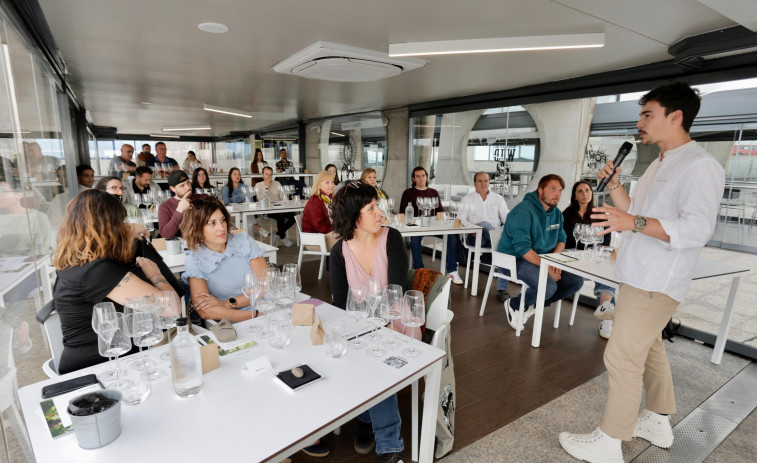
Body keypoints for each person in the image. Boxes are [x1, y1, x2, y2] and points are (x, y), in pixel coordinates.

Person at [559, 83, 725, 463]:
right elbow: (635, 210)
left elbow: (695, 229)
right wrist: (616, 188)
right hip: (637, 274)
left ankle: (609, 440)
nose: (640, 123)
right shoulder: (659, 161)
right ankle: (658, 419)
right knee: (649, 347)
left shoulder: (700, 166)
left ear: (675, 116)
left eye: (647, 114)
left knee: (620, 356)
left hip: (657, 280)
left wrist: (631, 220)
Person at [52, 190, 179, 374]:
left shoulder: (73, 260)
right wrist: (155, 275)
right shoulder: (98, 272)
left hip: (96, 358)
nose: (123, 226)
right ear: (111, 226)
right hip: (102, 368)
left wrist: (129, 229)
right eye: (120, 221)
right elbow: (171, 309)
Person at [329, 179, 408, 463]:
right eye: (372, 208)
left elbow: (395, 291)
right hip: (360, 327)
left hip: (397, 323)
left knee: (376, 363)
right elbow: (340, 304)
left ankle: (390, 445)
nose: (380, 213)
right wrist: (357, 328)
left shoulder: (392, 238)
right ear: (354, 217)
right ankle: (365, 415)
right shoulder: (339, 252)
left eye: (378, 206)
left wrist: (369, 324)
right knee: (336, 355)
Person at [497, 174, 584, 331]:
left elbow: (562, 239)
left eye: (560, 190)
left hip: (542, 258)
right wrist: (548, 268)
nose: (557, 194)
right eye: (552, 189)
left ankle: (531, 305)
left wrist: (554, 261)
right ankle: (515, 305)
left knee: (576, 281)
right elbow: (522, 248)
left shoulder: (556, 213)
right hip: (515, 259)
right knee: (548, 286)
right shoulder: (523, 211)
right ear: (540, 190)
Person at [180, 197, 269, 322]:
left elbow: (265, 285)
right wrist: (254, 315)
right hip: (236, 321)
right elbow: (205, 311)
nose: (221, 228)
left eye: (222, 220)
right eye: (212, 223)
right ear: (198, 228)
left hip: (267, 307)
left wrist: (228, 303)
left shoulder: (245, 241)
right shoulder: (195, 258)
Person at [562, 180, 616, 339]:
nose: (584, 194)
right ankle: (609, 314)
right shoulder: (566, 214)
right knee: (604, 271)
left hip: (593, 258)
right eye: (580, 191)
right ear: (575, 196)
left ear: (591, 193)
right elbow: (564, 240)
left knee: (606, 271)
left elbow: (606, 241)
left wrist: (595, 252)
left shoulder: (600, 214)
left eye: (587, 190)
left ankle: (605, 316)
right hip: (573, 258)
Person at [399, 166, 462, 284]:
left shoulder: (433, 192)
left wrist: (443, 218)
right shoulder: (408, 193)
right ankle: (420, 271)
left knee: (452, 235)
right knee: (414, 239)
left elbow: (440, 211)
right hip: (416, 227)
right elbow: (402, 213)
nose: (421, 178)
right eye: (418, 176)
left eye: (423, 175)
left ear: (427, 177)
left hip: (433, 226)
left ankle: (452, 270)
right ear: (413, 179)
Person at [458, 172, 509, 265]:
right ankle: (500, 255)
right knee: (483, 224)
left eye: (486, 181)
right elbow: (461, 220)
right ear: (474, 183)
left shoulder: (498, 198)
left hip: (492, 233)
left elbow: (507, 218)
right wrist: (472, 228)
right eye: (480, 181)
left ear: (489, 182)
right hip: (475, 236)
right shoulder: (467, 199)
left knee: (486, 226)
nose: (483, 183)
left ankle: (492, 247)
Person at [0, 180, 51, 257]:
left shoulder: (38, 218)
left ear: (19, 194)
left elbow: (40, 251)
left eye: (3, 192)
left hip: (28, 265)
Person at [255, 166, 295, 247]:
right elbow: (260, 199)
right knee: (280, 216)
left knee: (294, 216)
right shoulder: (258, 185)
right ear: (262, 175)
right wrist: (266, 187)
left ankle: (277, 234)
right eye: (266, 174)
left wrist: (285, 198)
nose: (268, 177)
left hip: (279, 207)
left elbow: (283, 197)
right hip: (267, 209)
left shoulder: (277, 183)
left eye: (270, 174)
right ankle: (283, 237)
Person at [302, 170, 338, 250]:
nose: (331, 185)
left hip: (325, 234)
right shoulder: (315, 200)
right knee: (348, 238)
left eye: (332, 182)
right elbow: (319, 226)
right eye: (327, 182)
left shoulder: (328, 200)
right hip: (315, 239)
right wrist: (339, 229)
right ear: (319, 185)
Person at [158, 170, 192, 239]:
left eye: (188, 183)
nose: (188, 188)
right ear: (172, 189)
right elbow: (165, 235)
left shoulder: (203, 198)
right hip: (182, 246)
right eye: (182, 185)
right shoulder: (164, 207)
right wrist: (179, 210)